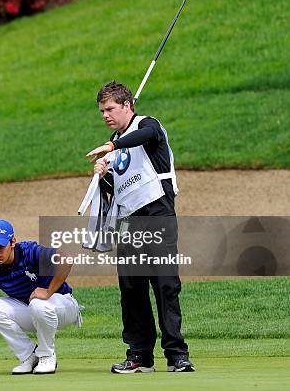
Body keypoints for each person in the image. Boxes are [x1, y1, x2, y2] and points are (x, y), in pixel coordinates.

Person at [86, 80, 195, 373]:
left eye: (110, 109)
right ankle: (139, 356)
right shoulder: (115, 146)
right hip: (127, 221)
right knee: (132, 289)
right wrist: (104, 175)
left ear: (127, 106)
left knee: (165, 285)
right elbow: (118, 188)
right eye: (102, 111)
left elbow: (146, 135)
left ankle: (177, 355)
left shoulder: (147, 125)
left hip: (157, 212)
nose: (105, 115)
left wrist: (112, 145)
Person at [0, 218, 82, 375]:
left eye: (1, 246)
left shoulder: (29, 251)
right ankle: (30, 356)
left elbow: (67, 257)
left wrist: (48, 291)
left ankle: (47, 356)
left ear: (13, 242)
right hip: (33, 310)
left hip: (63, 306)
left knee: (38, 303)